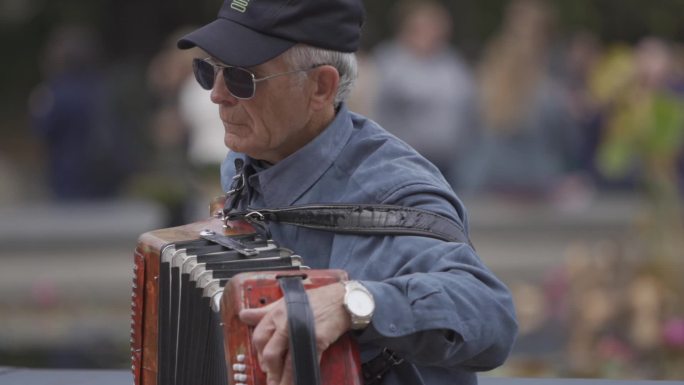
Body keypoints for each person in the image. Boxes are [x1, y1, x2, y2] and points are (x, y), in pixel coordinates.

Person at [177, 1, 517, 384]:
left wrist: (350, 304)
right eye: (208, 71)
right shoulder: (243, 162)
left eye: (242, 78)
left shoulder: (394, 192)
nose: (217, 94)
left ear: (321, 87)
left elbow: (491, 313)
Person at [370, 0, 477, 186]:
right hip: (401, 161)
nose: (432, 33)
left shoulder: (452, 63)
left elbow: (468, 107)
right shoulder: (389, 61)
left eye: (436, 27)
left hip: (451, 163)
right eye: (425, 26)